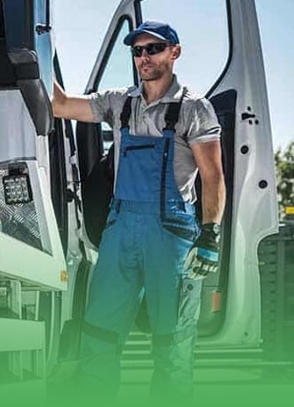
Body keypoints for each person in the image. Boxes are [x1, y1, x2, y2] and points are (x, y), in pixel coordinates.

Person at [52, 20, 226, 404]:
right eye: (138, 50)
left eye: (154, 48)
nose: (144, 57)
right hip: (121, 231)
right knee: (98, 334)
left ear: (174, 53)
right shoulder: (120, 102)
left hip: (171, 234)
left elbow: (213, 178)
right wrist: (36, 49)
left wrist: (210, 236)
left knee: (172, 343)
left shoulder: (194, 109)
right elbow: (61, 105)